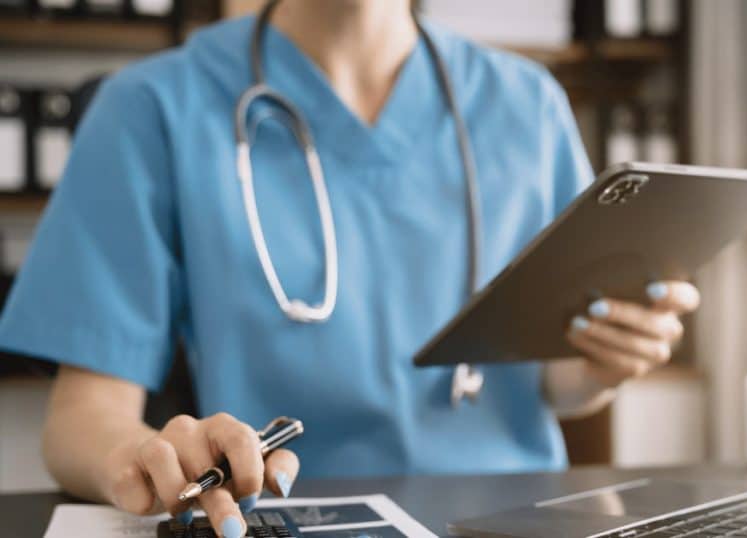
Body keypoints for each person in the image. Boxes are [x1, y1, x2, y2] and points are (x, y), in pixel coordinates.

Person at [0, 1, 700, 537]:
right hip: (289, 518)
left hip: (521, 515)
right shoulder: (153, 107)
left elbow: (559, 383)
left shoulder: (528, 103)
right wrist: (149, 456)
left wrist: (605, 365)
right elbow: (82, 418)